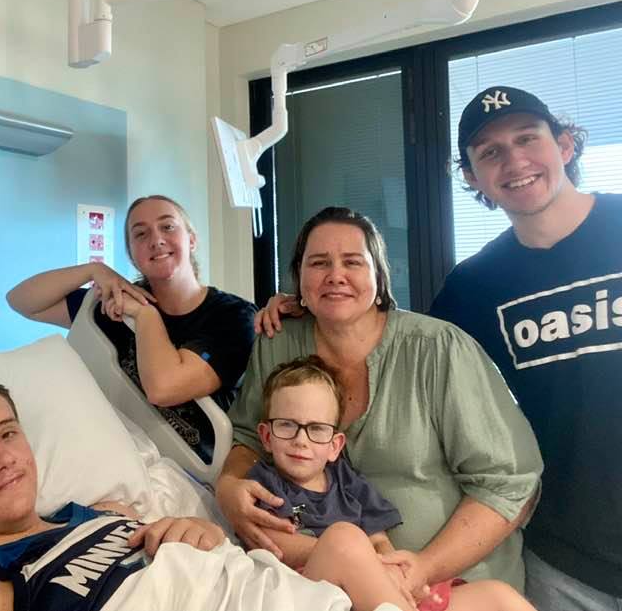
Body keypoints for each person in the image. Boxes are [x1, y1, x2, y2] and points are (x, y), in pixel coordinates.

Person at [0, 372, 443, 611]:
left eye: (8, 433)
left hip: (279, 593)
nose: (3, 458)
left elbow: (213, 557)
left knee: (347, 540)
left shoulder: (101, 512)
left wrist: (202, 534)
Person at [217, 206, 543, 604]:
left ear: (379, 275)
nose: (335, 275)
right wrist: (228, 488)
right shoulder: (277, 343)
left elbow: (509, 483)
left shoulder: (439, 350)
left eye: (353, 262)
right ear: (298, 278)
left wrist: (423, 567)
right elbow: (249, 437)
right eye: (318, 263)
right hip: (323, 585)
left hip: (450, 583)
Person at [428, 86, 622, 611]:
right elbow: (408, 358)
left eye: (527, 138)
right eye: (490, 151)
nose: (514, 161)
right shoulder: (472, 287)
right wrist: (309, 308)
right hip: (565, 560)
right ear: (472, 177)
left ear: (564, 145)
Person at [248, 355, 537, 611]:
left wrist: (393, 571)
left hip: (379, 590)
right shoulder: (264, 483)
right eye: (286, 425)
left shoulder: (348, 481)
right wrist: (359, 560)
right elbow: (271, 540)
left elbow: (379, 539)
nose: (301, 440)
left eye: (316, 428)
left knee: (497, 597)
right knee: (344, 538)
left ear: (335, 445)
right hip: (312, 593)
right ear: (266, 436)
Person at [7, 194, 257, 462]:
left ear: (191, 240)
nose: (156, 240)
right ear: (132, 256)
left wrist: (146, 315)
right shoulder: (116, 303)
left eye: (167, 226)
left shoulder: (234, 317)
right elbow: (22, 301)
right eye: (140, 234)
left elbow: (164, 388)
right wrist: (92, 270)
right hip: (114, 452)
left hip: (194, 470)